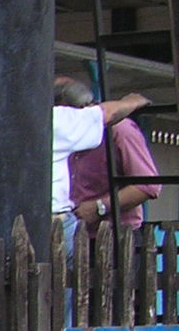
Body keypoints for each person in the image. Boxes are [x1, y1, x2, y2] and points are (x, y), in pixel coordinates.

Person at [58, 77, 162, 235]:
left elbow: (147, 185)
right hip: (74, 235)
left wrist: (100, 206)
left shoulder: (119, 130)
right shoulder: (59, 134)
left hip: (116, 234)